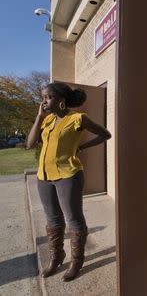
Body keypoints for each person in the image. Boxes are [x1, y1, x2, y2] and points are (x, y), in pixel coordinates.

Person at [26, 82, 111, 281]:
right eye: (43, 97)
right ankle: (56, 257)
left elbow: (105, 134)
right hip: (44, 177)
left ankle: (76, 261)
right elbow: (30, 144)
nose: (44, 101)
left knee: (73, 219)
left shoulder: (78, 118)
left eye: (48, 97)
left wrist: (81, 147)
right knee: (52, 220)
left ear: (61, 100)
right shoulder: (46, 121)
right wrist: (39, 117)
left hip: (68, 176)